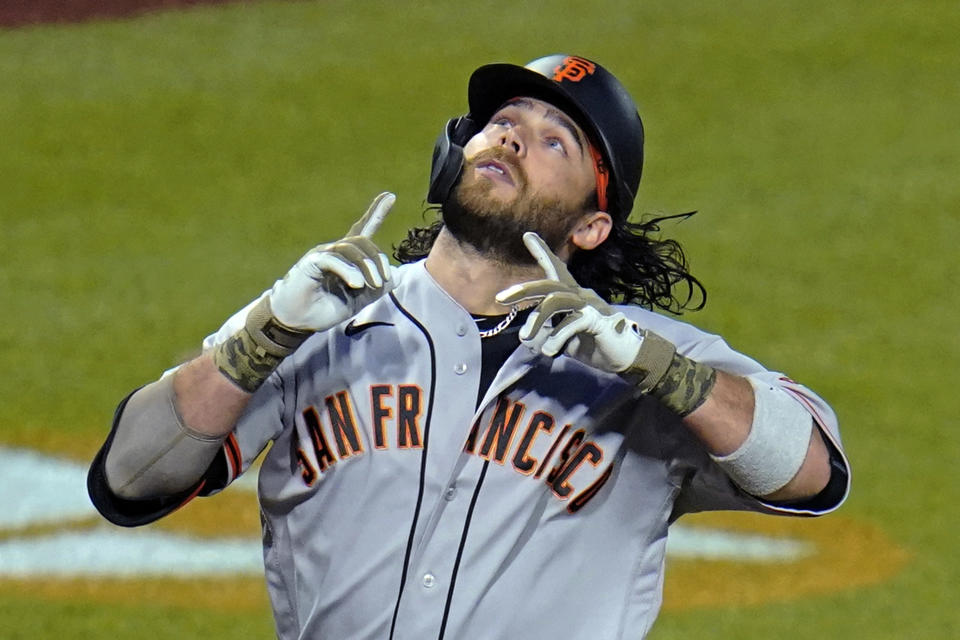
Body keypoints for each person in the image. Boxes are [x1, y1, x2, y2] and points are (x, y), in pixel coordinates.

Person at [88, 54, 850, 639]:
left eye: (556, 142)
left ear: (590, 225)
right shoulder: (323, 317)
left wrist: (661, 371)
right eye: (504, 122)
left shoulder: (642, 362)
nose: (516, 137)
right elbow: (128, 482)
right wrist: (264, 336)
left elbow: (811, 472)